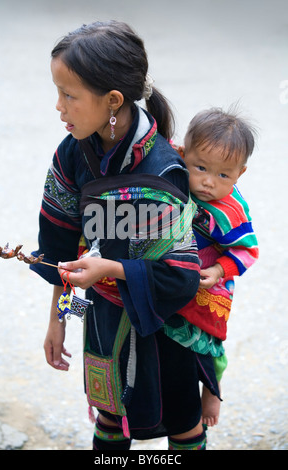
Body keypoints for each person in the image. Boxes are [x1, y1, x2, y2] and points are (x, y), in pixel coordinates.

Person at [30, 21, 218, 451]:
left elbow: (179, 277)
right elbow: (61, 252)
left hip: (167, 328)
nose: (58, 106)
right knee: (110, 423)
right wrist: (59, 319)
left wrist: (110, 269)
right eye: (58, 92)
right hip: (104, 319)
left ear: (113, 101)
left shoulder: (163, 169)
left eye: (69, 95)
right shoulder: (71, 153)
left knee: (183, 424)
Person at [170, 107, 259, 426]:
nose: (209, 182)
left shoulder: (232, 209)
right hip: (175, 278)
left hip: (212, 283)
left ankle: (211, 390)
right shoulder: (171, 176)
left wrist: (220, 270)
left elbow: (248, 251)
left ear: (240, 174)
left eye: (224, 175)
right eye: (201, 167)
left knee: (209, 347)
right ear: (183, 154)